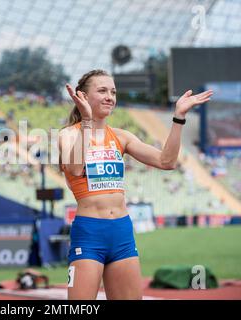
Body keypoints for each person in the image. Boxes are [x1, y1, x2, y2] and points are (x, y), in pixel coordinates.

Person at [58, 69, 213, 300]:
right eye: (102, 90)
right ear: (82, 96)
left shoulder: (121, 137)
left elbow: (166, 161)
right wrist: (88, 121)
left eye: (113, 91)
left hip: (121, 232)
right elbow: (74, 168)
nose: (110, 96)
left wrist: (179, 117)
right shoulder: (68, 135)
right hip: (90, 233)